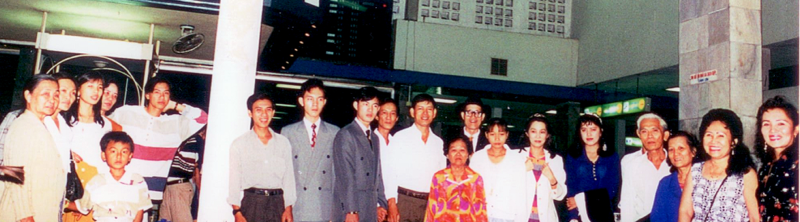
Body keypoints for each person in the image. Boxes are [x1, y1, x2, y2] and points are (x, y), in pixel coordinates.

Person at [109, 77, 208, 206]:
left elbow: (203, 118)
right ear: (147, 95)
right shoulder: (126, 112)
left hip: (151, 191)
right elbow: (102, 128)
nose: (162, 96)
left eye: (166, 93)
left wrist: (175, 105)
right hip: (122, 185)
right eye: (157, 92)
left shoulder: (176, 124)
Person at [0, 74, 66, 222]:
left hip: (41, 211)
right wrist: (25, 216)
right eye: (45, 94)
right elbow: (14, 173)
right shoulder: (23, 126)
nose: (52, 100)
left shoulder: (39, 125)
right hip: (23, 215)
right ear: (28, 96)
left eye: (56, 95)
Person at [678, 109, 759, 222]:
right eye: (709, 135)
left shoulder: (745, 173)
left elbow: (755, 217)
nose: (713, 141)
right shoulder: (695, 170)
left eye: (720, 136)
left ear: (733, 142)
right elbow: (685, 211)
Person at [228, 93, 296, 222]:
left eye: (268, 110)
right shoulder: (239, 144)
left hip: (277, 204)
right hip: (252, 203)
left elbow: (289, 179)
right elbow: (234, 180)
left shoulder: (283, 142)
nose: (264, 115)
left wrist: (288, 208)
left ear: (273, 112)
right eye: (258, 110)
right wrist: (237, 211)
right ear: (250, 113)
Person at [282, 79, 340, 222]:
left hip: (323, 207)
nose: (315, 104)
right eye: (310, 99)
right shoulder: (288, 132)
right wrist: (286, 207)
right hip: (297, 206)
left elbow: (337, 176)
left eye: (319, 99)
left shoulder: (335, 133)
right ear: (301, 101)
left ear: (324, 102)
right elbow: (284, 175)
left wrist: (335, 211)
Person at [383, 94, 446, 222]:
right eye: (420, 108)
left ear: (434, 113)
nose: (425, 113)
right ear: (412, 112)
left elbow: (441, 177)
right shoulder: (400, 138)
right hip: (404, 201)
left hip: (429, 203)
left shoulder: (438, 142)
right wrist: (391, 203)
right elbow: (389, 173)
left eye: (429, 109)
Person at [332, 87, 389, 222]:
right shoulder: (346, 134)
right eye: (365, 104)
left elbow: (377, 173)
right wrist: (351, 210)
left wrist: (381, 203)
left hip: (369, 207)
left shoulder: (374, 138)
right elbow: (345, 176)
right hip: (352, 208)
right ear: (356, 105)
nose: (370, 109)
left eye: (374, 105)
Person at [69, 131, 152, 222]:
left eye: (124, 152)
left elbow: (140, 210)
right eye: (113, 151)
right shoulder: (96, 182)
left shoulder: (137, 181)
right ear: (104, 155)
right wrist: (64, 204)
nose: (119, 156)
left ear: (130, 156)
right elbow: (83, 206)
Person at [469, 118, 528, 222]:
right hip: (481, 213)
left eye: (501, 134)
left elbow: (521, 191)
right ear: (487, 135)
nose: (497, 138)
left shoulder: (516, 158)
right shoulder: (478, 157)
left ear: (507, 134)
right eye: (492, 134)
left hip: (507, 215)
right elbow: (471, 188)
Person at [565, 114, 620, 222]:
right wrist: (573, 217)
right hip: (579, 214)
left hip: (604, 214)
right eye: (584, 130)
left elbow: (612, 190)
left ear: (601, 131)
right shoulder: (573, 156)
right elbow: (571, 189)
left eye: (593, 129)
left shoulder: (611, 157)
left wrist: (581, 199)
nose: (588, 134)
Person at [620, 113, 671, 222]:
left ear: (665, 135)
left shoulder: (675, 163)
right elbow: (627, 202)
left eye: (655, 130)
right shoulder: (632, 164)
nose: (650, 136)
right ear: (639, 135)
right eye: (644, 131)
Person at [754, 96, 799, 222]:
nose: (773, 130)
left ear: (796, 129)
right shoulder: (765, 169)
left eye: (781, 123)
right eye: (766, 124)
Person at [424, 137, 487, 221]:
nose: (458, 154)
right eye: (454, 150)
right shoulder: (439, 177)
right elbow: (431, 208)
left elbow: (481, 211)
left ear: (468, 154)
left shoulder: (476, 179)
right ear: (447, 154)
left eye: (462, 150)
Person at [521, 114, 567, 222]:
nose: (538, 136)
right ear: (527, 133)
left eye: (542, 132)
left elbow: (560, 196)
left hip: (546, 218)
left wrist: (552, 179)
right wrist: (522, 170)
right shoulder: (517, 156)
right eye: (533, 131)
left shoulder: (555, 160)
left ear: (547, 135)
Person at [159, 126, 206, 222]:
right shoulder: (184, 139)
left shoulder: (195, 140)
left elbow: (194, 169)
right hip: (169, 187)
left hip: (179, 187)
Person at [651, 131, 698, 222]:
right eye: (671, 149)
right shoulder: (665, 183)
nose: (676, 153)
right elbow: (657, 217)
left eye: (681, 148)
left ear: (693, 152)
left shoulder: (704, 179)